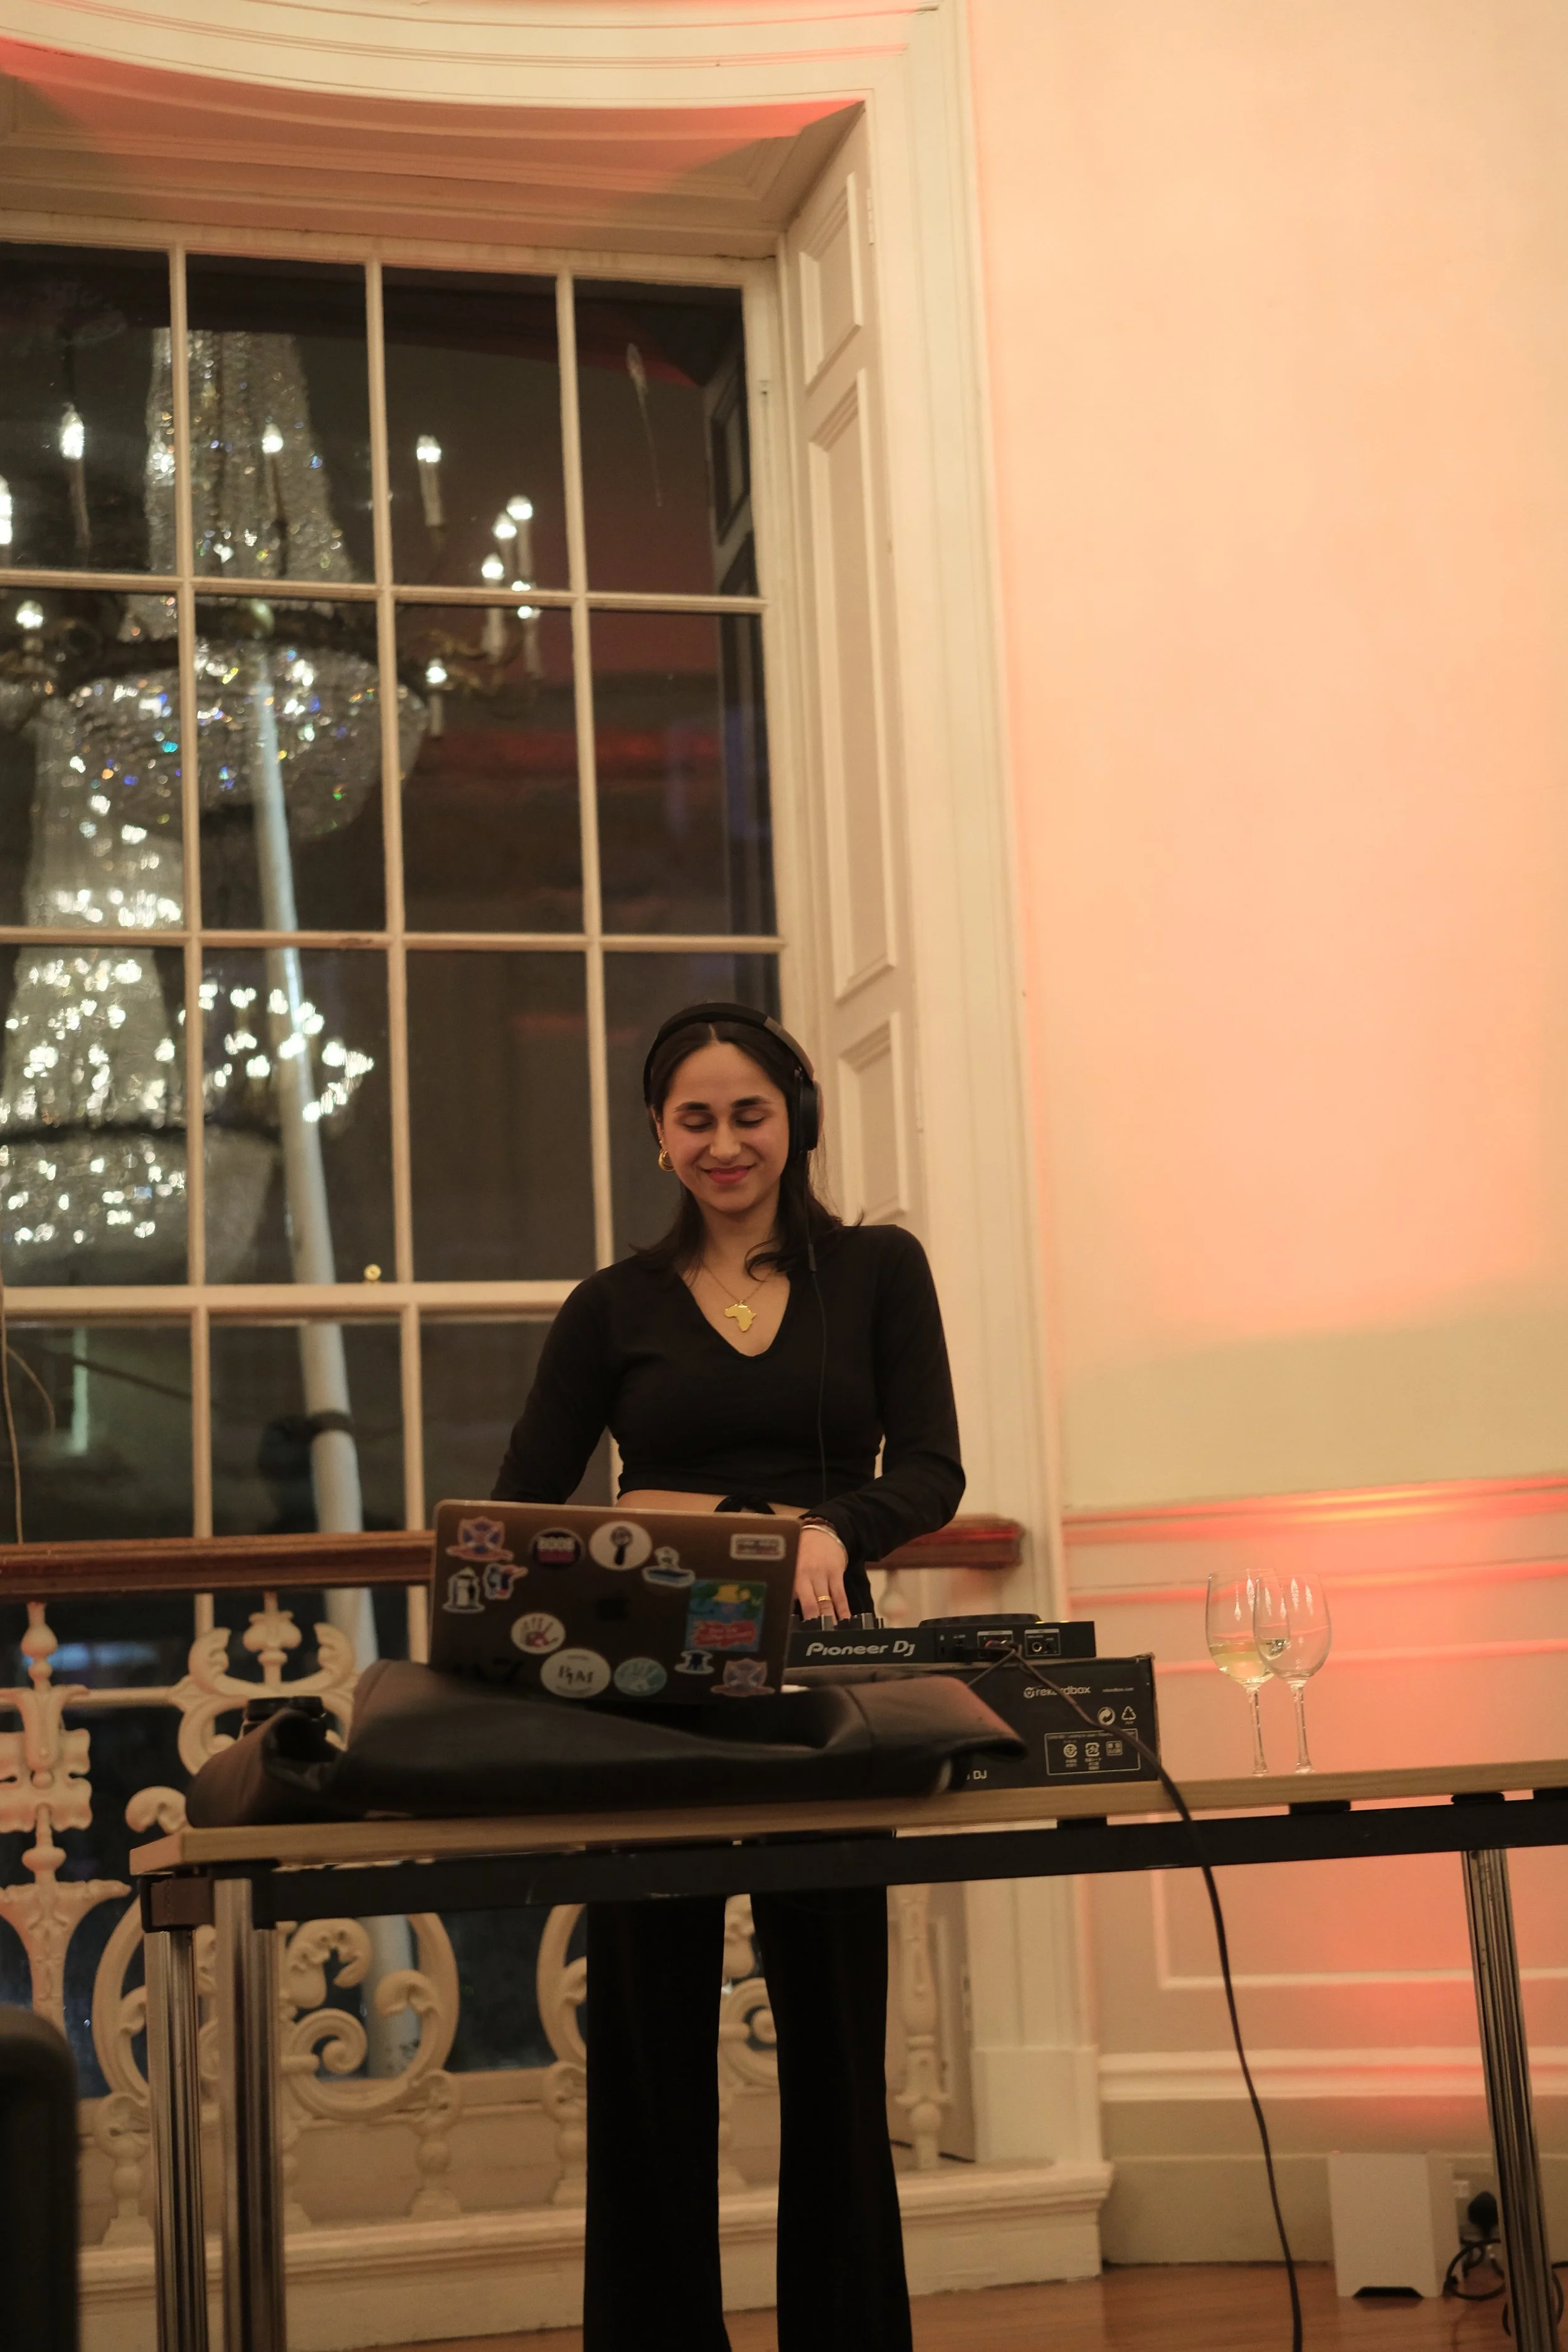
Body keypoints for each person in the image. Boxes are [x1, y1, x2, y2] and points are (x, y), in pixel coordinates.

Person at [491, 1001, 965, 2352]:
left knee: (834, 2040)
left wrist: (826, 1528)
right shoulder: (610, 1306)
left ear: (796, 1119)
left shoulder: (878, 1269)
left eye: (747, 1112)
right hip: (645, 1687)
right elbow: (524, 1504)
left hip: (825, 1674)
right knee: (646, 2053)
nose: (723, 1141)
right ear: (657, 1136)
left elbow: (928, 1468)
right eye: (693, 1117)